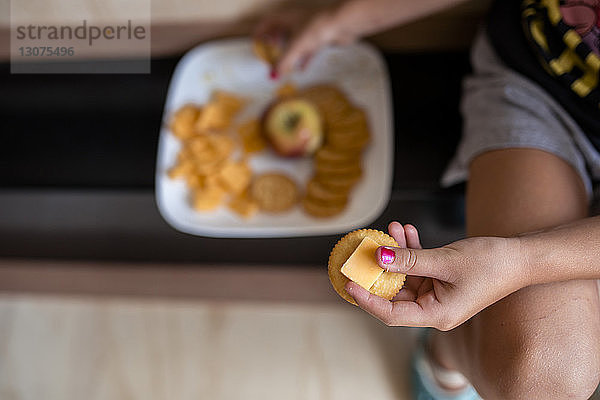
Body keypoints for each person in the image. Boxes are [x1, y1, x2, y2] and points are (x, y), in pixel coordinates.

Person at [255, 0, 600, 399]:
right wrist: (339, 19)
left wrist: (521, 263)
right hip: (540, 85)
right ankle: (449, 348)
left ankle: (455, 338)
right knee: (545, 379)